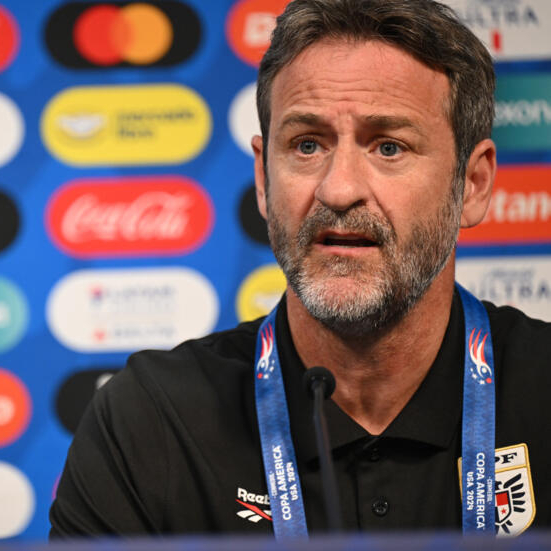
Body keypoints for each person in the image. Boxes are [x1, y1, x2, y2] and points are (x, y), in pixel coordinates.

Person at [50, 0, 551, 538]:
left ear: (472, 185)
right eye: (307, 145)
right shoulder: (149, 422)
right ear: (264, 180)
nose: (338, 189)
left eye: (388, 146)